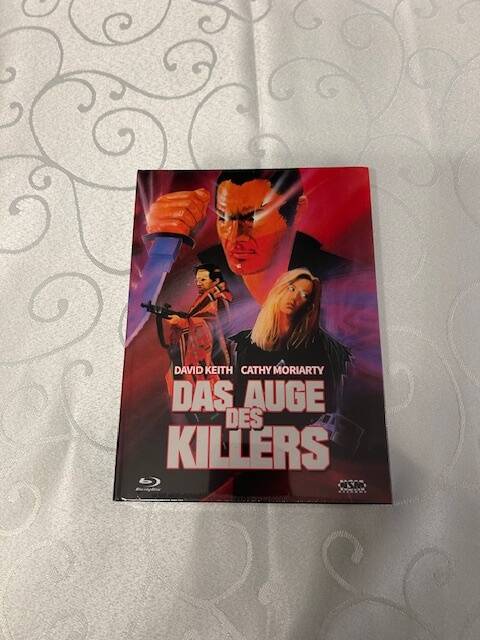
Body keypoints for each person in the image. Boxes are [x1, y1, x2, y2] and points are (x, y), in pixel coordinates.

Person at [145, 170, 350, 307]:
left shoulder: (343, 282)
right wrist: (161, 245)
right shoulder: (200, 277)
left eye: (254, 217)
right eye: (224, 218)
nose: (235, 236)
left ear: (297, 210)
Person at [229, 268, 351, 421]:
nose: (294, 298)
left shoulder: (321, 348)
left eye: (304, 295)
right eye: (292, 289)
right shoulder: (242, 344)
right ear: (279, 290)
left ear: (309, 305)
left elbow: (332, 406)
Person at [148, 263, 233, 393]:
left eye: (203, 279)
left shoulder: (218, 299)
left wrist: (184, 322)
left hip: (213, 357)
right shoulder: (205, 298)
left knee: (213, 390)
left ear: (216, 281)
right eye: (197, 280)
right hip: (203, 357)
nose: (198, 283)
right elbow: (198, 318)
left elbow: (217, 325)